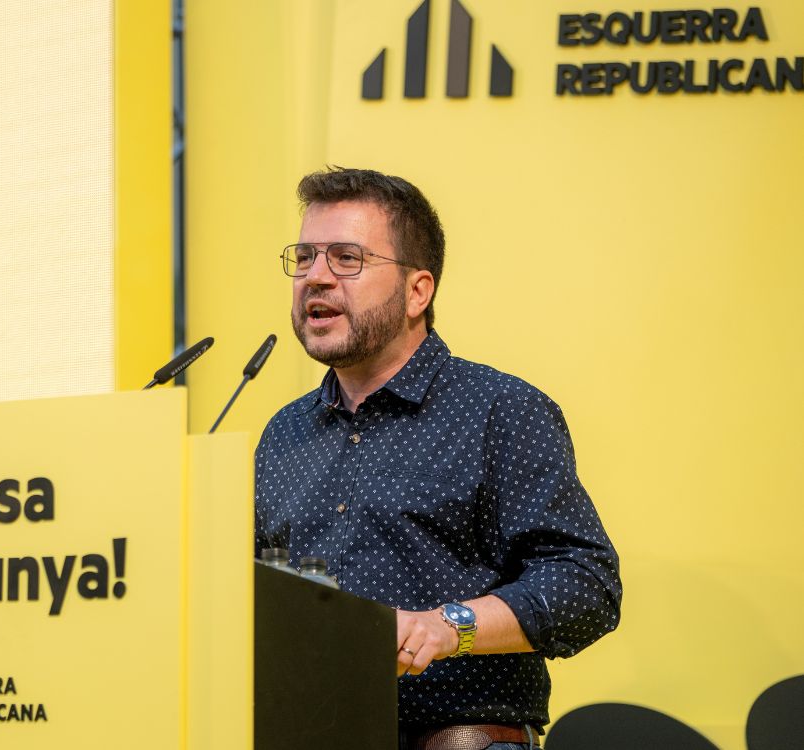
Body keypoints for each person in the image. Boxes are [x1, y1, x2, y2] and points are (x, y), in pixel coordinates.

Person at [254, 168, 621, 750]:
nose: (315, 278)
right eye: (304, 258)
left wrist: (449, 626)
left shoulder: (500, 409)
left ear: (417, 291)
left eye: (346, 258)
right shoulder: (282, 435)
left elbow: (586, 586)